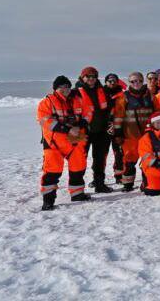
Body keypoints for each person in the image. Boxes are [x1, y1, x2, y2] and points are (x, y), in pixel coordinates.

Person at [38, 76, 91, 210]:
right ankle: (48, 201)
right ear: (55, 89)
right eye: (61, 87)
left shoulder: (78, 99)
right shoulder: (47, 102)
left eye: (67, 86)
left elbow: (88, 112)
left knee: (78, 168)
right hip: (54, 143)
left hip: (76, 141)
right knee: (52, 171)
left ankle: (77, 194)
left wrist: (81, 124)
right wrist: (67, 129)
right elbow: (44, 120)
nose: (65, 89)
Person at [111, 72, 155, 192]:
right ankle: (128, 184)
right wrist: (118, 132)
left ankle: (147, 182)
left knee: (148, 159)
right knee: (129, 160)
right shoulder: (123, 97)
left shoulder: (150, 96)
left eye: (139, 81)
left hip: (147, 135)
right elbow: (118, 116)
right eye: (133, 81)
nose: (136, 83)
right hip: (130, 135)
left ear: (142, 81)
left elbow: (156, 112)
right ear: (129, 82)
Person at [76, 66, 114, 193]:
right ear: (83, 77)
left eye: (94, 76)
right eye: (88, 76)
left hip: (101, 131)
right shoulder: (75, 92)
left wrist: (110, 121)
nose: (91, 79)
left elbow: (109, 108)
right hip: (82, 132)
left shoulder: (102, 90)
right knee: (79, 159)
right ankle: (77, 189)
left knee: (99, 159)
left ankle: (99, 184)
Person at [103, 73, 125, 184]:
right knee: (102, 154)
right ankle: (98, 177)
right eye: (110, 81)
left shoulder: (123, 95)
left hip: (119, 128)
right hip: (104, 128)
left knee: (119, 153)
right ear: (106, 82)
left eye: (114, 81)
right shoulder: (101, 94)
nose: (112, 83)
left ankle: (119, 175)